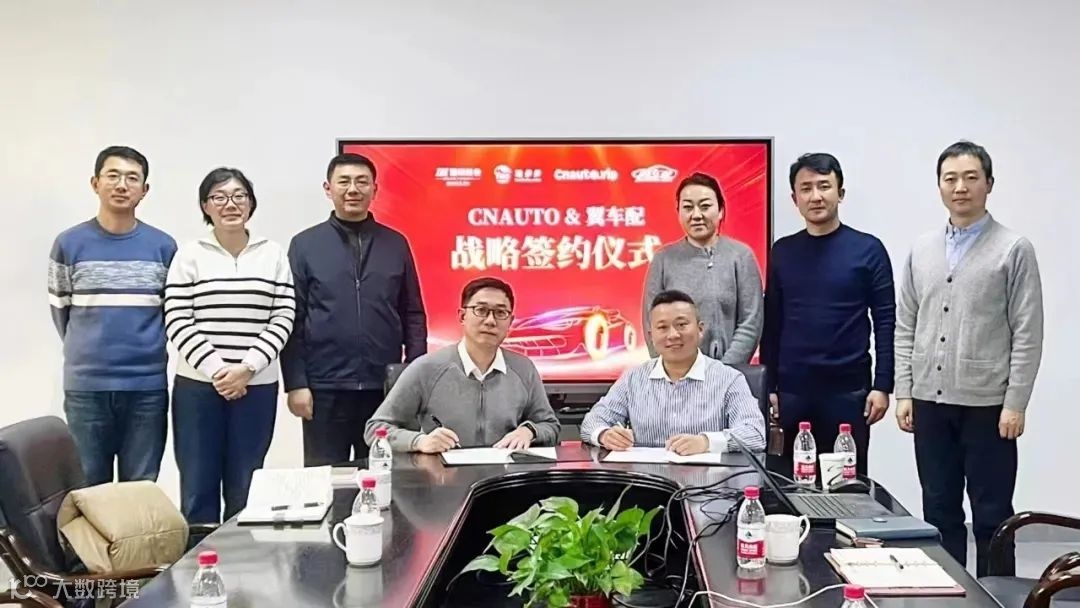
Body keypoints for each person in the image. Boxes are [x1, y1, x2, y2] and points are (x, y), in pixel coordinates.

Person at [895, 140, 1043, 578]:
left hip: (988, 406)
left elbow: (1028, 330)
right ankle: (950, 593)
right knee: (939, 507)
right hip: (929, 402)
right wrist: (905, 391)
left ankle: (996, 594)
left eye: (971, 177)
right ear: (940, 186)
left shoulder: (1013, 248)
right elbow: (906, 323)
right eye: (951, 179)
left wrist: (1016, 402)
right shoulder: (922, 248)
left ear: (989, 184)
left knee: (992, 514)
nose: (960, 187)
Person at [164, 167, 295, 524]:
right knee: (197, 485)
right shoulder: (189, 255)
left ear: (251, 204)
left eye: (239, 196)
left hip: (257, 385)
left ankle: (241, 558)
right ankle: (199, 558)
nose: (230, 204)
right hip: (198, 387)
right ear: (205, 206)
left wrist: (247, 368)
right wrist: (219, 371)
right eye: (219, 197)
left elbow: (284, 314)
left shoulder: (272, 253)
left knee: (247, 485)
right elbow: (177, 317)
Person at [281, 153, 427, 466]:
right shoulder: (305, 245)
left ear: (375, 189)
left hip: (384, 388)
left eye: (362, 182)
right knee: (324, 478)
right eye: (344, 181)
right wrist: (296, 383)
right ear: (328, 188)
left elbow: (413, 314)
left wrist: (414, 377)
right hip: (324, 387)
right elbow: (293, 318)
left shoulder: (395, 243)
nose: (353, 189)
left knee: (385, 476)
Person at [48, 146, 177, 485]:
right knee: (89, 488)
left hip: (146, 387)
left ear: (144, 190)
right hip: (87, 389)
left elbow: (171, 313)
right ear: (95, 183)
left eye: (132, 178)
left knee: (141, 488)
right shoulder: (69, 244)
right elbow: (61, 311)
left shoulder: (163, 247)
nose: (122, 185)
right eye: (113, 176)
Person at [760, 153, 894, 475]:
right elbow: (772, 323)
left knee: (846, 486)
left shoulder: (868, 249)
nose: (815, 196)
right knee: (791, 485)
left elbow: (886, 321)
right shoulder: (783, 251)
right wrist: (770, 386)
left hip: (848, 392)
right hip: (792, 392)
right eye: (806, 188)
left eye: (824, 186)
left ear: (840, 193)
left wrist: (883, 385)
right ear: (795, 199)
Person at [364, 277, 560, 452]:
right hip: (441, 476)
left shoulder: (523, 369)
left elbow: (550, 425)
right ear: (462, 316)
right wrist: (419, 441)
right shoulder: (426, 368)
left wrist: (529, 431)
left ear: (510, 321)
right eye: (481, 310)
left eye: (501, 312)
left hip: (504, 476)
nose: (490, 321)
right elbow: (375, 429)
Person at [580, 290, 765, 454]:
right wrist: (605, 435)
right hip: (647, 479)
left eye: (682, 325)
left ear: (700, 330)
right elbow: (592, 422)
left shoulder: (729, 379)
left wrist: (706, 442)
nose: (673, 335)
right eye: (662, 327)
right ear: (651, 336)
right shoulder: (633, 378)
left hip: (709, 480)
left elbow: (755, 434)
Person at [643, 172, 763, 364]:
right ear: (679, 212)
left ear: (720, 210)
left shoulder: (741, 256)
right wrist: (674, 369)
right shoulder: (663, 260)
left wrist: (724, 372)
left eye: (705, 206)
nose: (696, 215)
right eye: (688, 207)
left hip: (730, 373)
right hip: (677, 374)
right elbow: (652, 323)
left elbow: (751, 322)